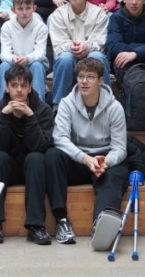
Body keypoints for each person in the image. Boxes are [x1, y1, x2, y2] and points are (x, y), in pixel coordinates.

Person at [44, 56, 128, 242]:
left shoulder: (115, 107)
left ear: (100, 80)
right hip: (78, 159)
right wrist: (85, 158)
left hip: (103, 159)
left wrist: (106, 162)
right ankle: (62, 221)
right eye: (81, 76)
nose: (84, 81)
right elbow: (60, 138)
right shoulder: (67, 103)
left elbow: (120, 147)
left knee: (119, 170)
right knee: (52, 156)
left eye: (90, 77)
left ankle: (101, 224)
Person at [0, 65, 56, 245]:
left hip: (33, 169)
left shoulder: (43, 110)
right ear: (7, 87)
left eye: (23, 86)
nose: (19, 90)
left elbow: (41, 146)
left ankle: (36, 226)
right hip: (7, 167)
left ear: (30, 88)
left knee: (36, 158)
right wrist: (4, 117)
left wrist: (30, 116)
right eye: (14, 85)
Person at [48, 0, 110, 106]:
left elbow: (100, 43)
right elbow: (58, 46)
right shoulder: (57, 15)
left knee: (97, 57)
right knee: (65, 58)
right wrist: (72, 47)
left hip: (91, 54)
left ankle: (104, 105)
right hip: (68, 56)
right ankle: (59, 106)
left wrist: (86, 46)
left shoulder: (99, 13)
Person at [0, 0, 49, 101]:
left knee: (37, 66)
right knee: (3, 66)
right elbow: (4, 53)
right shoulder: (7, 26)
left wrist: (27, 58)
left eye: (28, 8)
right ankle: (2, 105)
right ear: (13, 10)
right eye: (20, 8)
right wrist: (13, 58)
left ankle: (39, 106)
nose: (24, 12)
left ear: (34, 8)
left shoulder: (41, 27)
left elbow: (40, 52)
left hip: (32, 63)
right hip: (13, 64)